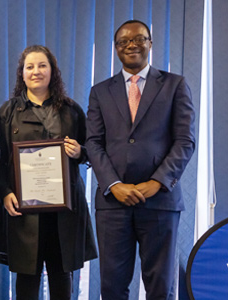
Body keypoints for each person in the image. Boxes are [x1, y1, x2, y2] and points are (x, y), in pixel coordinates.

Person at [85, 20, 196, 300]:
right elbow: (93, 142)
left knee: (161, 286)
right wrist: (113, 184)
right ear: (116, 48)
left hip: (159, 201)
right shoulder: (100, 91)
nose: (131, 45)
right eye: (123, 41)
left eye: (138, 39)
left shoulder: (174, 85)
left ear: (150, 43)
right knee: (112, 286)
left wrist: (157, 182)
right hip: (113, 203)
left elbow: (185, 141)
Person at [0, 45, 97, 299]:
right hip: (23, 208)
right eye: (30, 67)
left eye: (42, 65)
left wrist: (80, 152)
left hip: (63, 208)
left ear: (53, 71)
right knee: (27, 277)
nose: (36, 71)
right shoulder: (7, 112)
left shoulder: (72, 110)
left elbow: (93, 149)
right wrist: (5, 192)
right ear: (22, 73)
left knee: (62, 275)